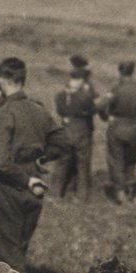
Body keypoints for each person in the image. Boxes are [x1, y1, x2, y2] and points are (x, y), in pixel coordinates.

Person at [0, 58, 69, 273]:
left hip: (8, 190)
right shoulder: (39, 110)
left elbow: (1, 161)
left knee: (6, 259)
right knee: (18, 249)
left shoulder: (5, 113)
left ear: (1, 80)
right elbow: (63, 142)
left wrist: (25, 180)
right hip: (34, 191)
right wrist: (42, 159)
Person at [99, 61, 136, 204]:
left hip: (117, 127)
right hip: (135, 128)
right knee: (131, 160)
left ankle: (120, 191)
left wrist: (106, 117)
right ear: (133, 72)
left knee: (116, 159)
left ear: (120, 72)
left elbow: (100, 105)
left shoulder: (117, 89)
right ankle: (132, 190)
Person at [52, 68, 97, 196]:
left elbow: (60, 111)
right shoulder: (85, 96)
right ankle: (82, 194)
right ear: (81, 81)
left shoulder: (60, 95)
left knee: (62, 163)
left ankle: (56, 192)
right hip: (81, 130)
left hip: (66, 129)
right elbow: (92, 110)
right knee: (83, 164)